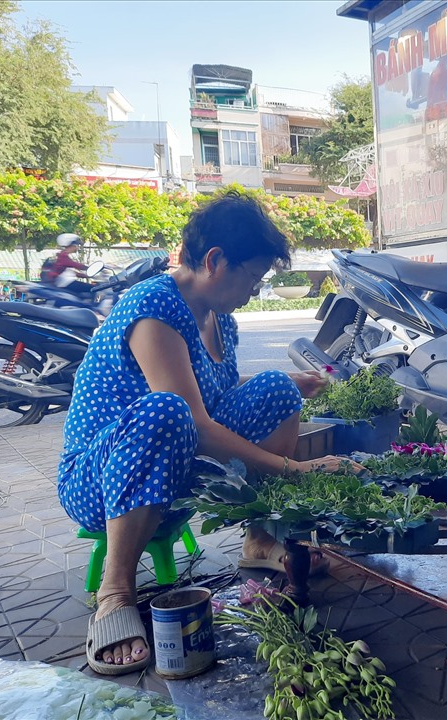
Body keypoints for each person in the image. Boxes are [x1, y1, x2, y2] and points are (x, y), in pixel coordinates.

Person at [57, 191, 360, 675]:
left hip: (172, 462)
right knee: (164, 412)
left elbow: (209, 393)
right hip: (99, 479)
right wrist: (297, 467)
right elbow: (193, 422)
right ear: (216, 260)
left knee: (278, 389)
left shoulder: (222, 319)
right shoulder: (153, 306)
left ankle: (259, 539)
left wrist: (293, 384)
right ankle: (115, 594)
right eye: (254, 278)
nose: (254, 290)